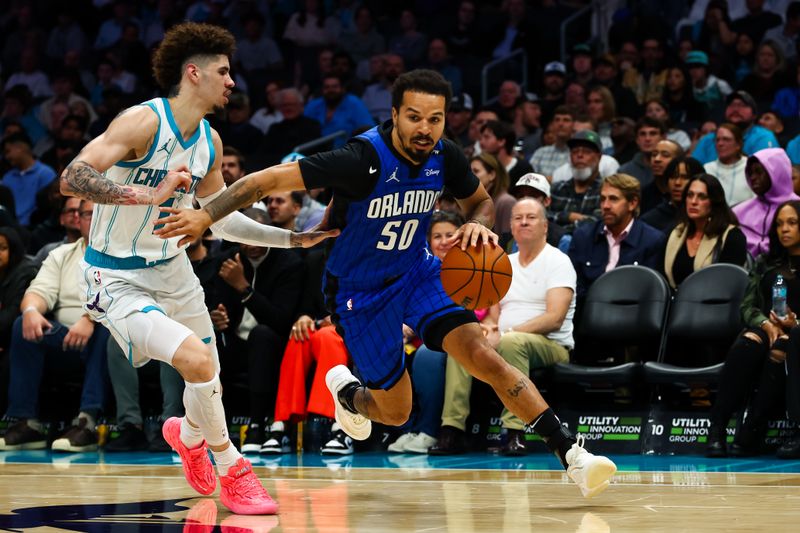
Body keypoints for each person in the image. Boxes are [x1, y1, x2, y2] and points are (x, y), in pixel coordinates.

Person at [155, 69, 617, 498]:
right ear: (394, 114)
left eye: (435, 119)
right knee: (395, 412)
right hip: (360, 291)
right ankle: (348, 394)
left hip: (417, 271)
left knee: (482, 355)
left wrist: (481, 225)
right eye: (414, 117)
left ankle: (573, 455)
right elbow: (266, 179)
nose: (425, 128)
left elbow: (480, 202)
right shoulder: (361, 158)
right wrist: (205, 214)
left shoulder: (445, 155)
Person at [58, 22, 337, 515]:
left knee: (210, 377)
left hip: (173, 272)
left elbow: (223, 223)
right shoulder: (142, 122)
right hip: (115, 276)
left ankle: (187, 435)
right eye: (224, 72)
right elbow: (73, 176)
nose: (232, 82)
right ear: (194, 74)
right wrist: (147, 193)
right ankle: (233, 469)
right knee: (195, 360)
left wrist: (292, 238)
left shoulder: (208, 142)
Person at [0, 200, 111, 453]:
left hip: (107, 339)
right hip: (65, 338)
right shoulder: (61, 255)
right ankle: (26, 422)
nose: (92, 219)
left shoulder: (125, 255)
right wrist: (30, 310)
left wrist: (90, 318)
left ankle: (87, 422)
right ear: (78, 220)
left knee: (106, 330)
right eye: (86, 214)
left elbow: (123, 297)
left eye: (98, 214)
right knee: (22, 324)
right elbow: (37, 292)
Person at [707, 201, 800, 458]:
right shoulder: (765, 261)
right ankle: (717, 427)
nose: (784, 229)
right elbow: (747, 306)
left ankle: (751, 430)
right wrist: (765, 323)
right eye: (780, 224)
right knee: (748, 343)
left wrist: (794, 325)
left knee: (781, 350)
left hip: (796, 333)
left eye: (792, 223)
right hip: (766, 325)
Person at [484, 198, 575, 455]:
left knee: (512, 343)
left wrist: (508, 334)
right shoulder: (503, 264)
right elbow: (493, 314)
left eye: (531, 217)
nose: (524, 222)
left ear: (545, 226)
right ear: (511, 226)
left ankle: (515, 431)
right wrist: (487, 330)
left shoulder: (558, 261)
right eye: (517, 217)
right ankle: (451, 429)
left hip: (552, 345)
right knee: (466, 342)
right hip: (506, 339)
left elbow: (554, 318)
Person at [568, 174, 665, 300]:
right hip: (588, 311)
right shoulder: (583, 237)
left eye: (613, 199)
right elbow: (573, 286)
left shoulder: (652, 240)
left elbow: (651, 293)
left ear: (632, 203)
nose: (606, 206)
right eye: (603, 199)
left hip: (632, 314)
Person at [663, 174, 748, 289]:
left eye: (702, 197)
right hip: (676, 303)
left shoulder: (732, 237)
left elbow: (729, 284)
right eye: (690, 195)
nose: (693, 201)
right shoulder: (676, 233)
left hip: (714, 304)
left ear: (714, 202)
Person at [733, 148, 800, 258]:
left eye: (759, 172)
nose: (753, 178)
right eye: (750, 173)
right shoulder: (738, 211)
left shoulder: (797, 207)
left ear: (777, 173)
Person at [642, 156, 704, 235]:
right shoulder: (649, 221)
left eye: (685, 177)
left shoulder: (706, 216)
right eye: (673, 177)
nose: (677, 183)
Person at [703, 123, 752, 206]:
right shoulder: (707, 169)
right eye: (717, 140)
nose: (720, 144)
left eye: (726, 139)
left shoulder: (750, 167)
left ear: (738, 145)